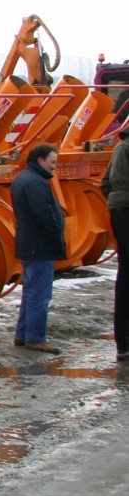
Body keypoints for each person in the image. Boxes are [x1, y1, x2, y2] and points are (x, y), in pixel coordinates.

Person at [11, 143, 66, 354]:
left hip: (30, 243)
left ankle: (23, 334)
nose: (54, 167)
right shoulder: (35, 183)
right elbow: (43, 214)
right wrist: (56, 234)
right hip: (39, 245)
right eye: (52, 162)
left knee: (31, 291)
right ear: (41, 160)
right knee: (39, 295)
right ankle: (35, 338)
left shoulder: (26, 179)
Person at [104, 126, 129, 362]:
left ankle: (123, 344)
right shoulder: (124, 148)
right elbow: (111, 184)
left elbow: (105, 184)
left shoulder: (121, 148)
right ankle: (123, 343)